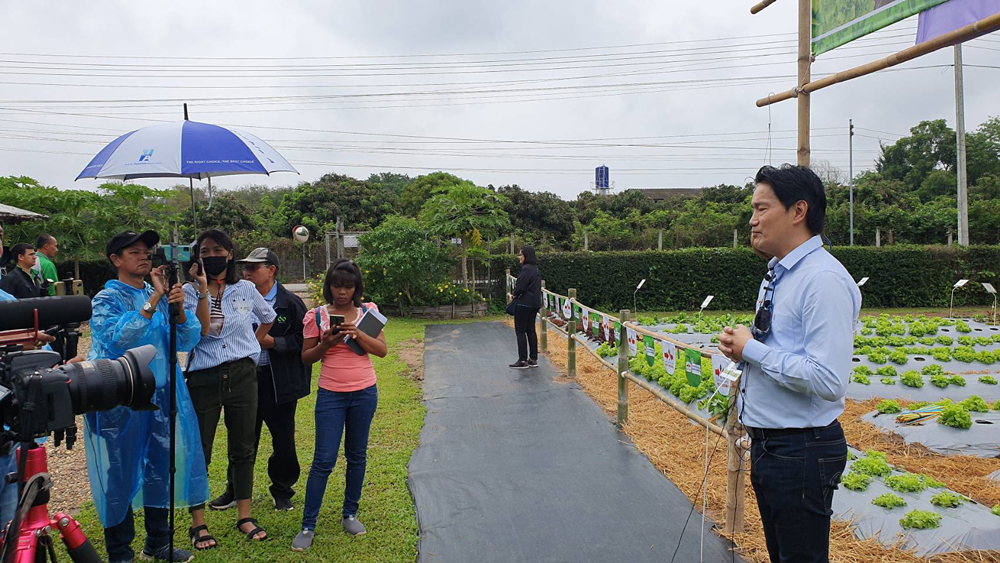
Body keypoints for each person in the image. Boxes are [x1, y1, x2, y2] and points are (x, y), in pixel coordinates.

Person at [716, 164, 861, 563]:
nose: (753, 219)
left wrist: (753, 351)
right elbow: (777, 345)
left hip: (802, 448)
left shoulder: (822, 280)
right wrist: (743, 348)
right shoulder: (779, 273)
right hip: (775, 447)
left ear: (798, 211)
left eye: (762, 208)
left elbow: (829, 379)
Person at [84, 230, 210, 563]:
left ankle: (159, 540)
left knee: (162, 465)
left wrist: (179, 309)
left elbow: (186, 340)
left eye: (147, 252)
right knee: (120, 472)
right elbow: (116, 338)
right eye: (135, 252)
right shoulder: (107, 298)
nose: (145, 256)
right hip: (122, 397)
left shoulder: (166, 294)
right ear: (116, 260)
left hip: (163, 393)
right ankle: (120, 550)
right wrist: (153, 299)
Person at [183, 229, 275, 546]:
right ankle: (199, 524)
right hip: (204, 377)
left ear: (230, 253)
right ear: (197, 256)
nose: (211, 256)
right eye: (204, 251)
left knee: (243, 446)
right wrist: (203, 290)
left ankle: (244, 516)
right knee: (200, 449)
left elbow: (268, 317)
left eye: (217, 249)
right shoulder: (188, 291)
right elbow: (202, 330)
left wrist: (253, 342)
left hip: (242, 374)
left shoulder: (246, 288)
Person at [291, 259, 386, 552]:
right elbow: (306, 358)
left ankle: (349, 513)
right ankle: (308, 525)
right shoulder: (317, 316)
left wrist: (359, 335)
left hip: (365, 393)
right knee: (323, 460)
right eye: (336, 285)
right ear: (328, 286)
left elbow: (381, 350)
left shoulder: (368, 312)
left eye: (347, 286)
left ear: (356, 287)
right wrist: (327, 344)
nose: (342, 292)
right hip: (331, 395)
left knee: (357, 455)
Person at [209, 248, 309, 512]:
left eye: (254, 268)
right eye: (245, 268)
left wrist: (274, 342)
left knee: (283, 439)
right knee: (241, 437)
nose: (247, 273)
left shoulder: (291, 302)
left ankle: (282, 490)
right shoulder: (237, 296)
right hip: (244, 380)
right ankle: (235, 490)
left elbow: (305, 339)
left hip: (279, 383)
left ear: (271, 270)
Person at [509, 245, 541, 369]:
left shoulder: (526, 269)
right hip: (534, 303)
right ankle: (533, 359)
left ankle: (522, 360)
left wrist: (514, 294)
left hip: (524, 303)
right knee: (531, 330)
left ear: (526, 256)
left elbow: (520, 286)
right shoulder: (535, 269)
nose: (519, 257)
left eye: (521, 255)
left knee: (520, 330)